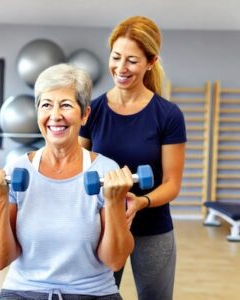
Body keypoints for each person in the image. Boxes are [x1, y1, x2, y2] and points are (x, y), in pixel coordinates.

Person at [0, 63, 135, 300]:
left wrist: (113, 203)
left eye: (66, 105)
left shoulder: (106, 171)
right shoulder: (16, 169)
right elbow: (0, 259)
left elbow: (114, 260)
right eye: (46, 105)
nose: (55, 116)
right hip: (25, 291)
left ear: (85, 115)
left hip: (92, 293)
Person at [79, 16, 187, 300]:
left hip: (153, 230)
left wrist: (141, 202)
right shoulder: (93, 111)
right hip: (101, 228)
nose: (121, 68)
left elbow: (172, 184)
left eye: (132, 60)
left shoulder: (168, 115)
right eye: (116, 57)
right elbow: (76, 169)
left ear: (151, 61)